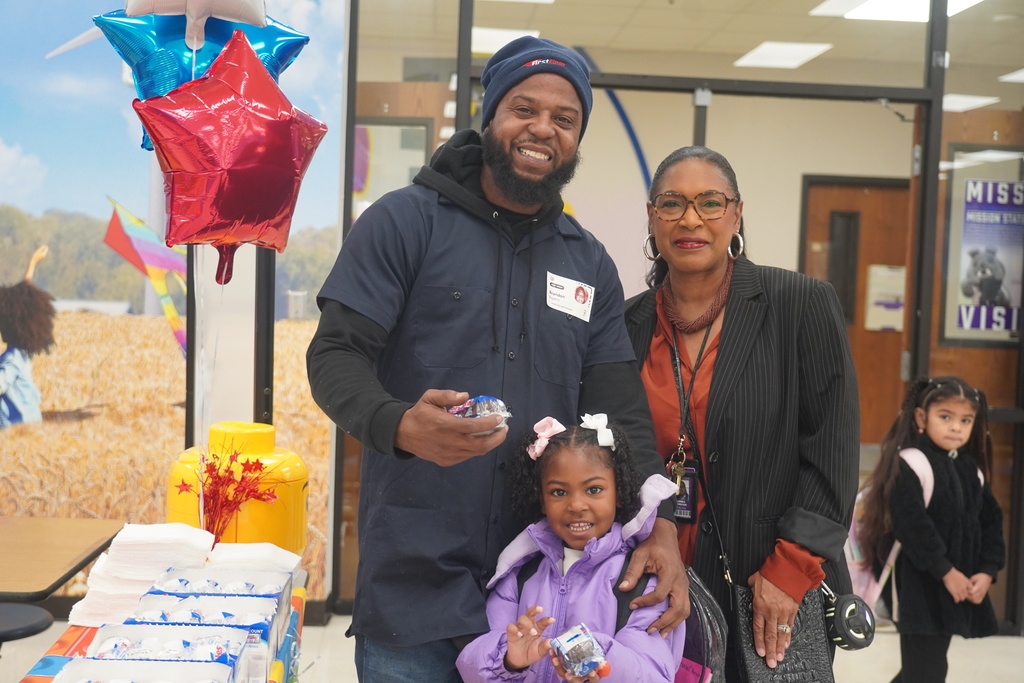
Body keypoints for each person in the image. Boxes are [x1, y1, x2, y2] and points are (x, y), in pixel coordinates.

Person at [306, 36, 687, 682]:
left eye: (565, 118)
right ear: (490, 118)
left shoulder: (588, 262)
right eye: (524, 108)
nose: (543, 128)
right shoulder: (404, 223)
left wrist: (664, 526)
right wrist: (399, 423)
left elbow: (619, 412)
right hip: (414, 595)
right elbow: (334, 356)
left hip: (541, 596)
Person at [623, 146, 860, 680]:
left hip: (768, 584)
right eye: (672, 203)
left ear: (736, 214)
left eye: (710, 202)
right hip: (654, 587)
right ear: (651, 216)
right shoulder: (624, 326)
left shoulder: (800, 304)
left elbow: (832, 451)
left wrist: (789, 568)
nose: (690, 219)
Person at [457, 415, 684, 683]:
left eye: (594, 489)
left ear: (619, 494)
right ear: (541, 500)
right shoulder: (518, 575)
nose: (576, 505)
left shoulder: (641, 582)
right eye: (559, 493)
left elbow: (653, 674)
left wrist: (595, 658)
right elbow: (473, 666)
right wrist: (510, 659)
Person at [857, 376, 1005, 683]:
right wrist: (947, 572)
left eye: (966, 420)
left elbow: (991, 521)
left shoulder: (971, 469)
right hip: (918, 587)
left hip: (955, 585)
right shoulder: (912, 463)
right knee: (928, 669)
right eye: (946, 417)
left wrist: (987, 570)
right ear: (921, 418)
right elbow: (913, 528)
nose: (956, 427)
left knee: (923, 668)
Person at [0, 246, 56, 429]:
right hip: (29, 426)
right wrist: (32, 263)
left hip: (16, 429)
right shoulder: (23, 352)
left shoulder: (12, 359)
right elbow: (23, 302)